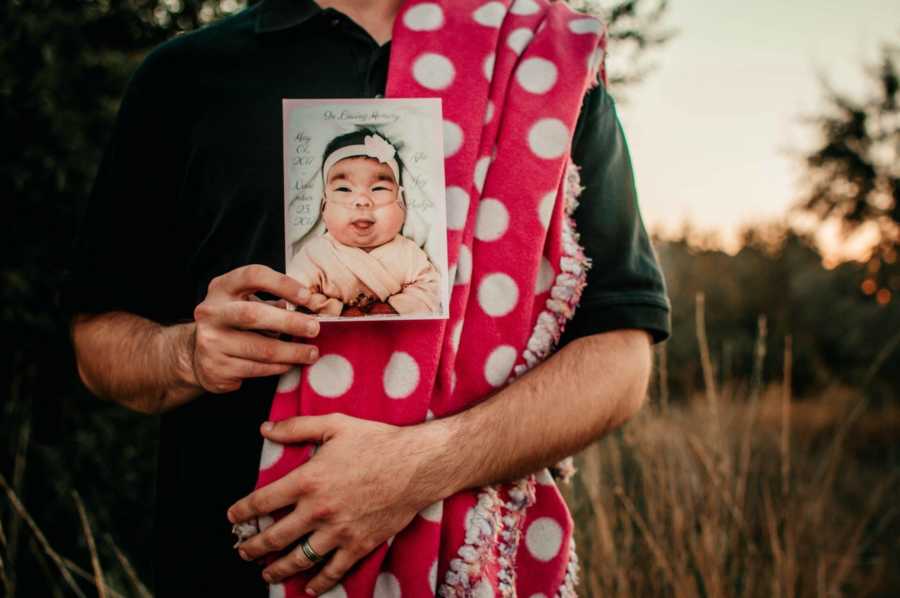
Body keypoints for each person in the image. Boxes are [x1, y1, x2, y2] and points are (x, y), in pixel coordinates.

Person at [63, 0, 671, 595]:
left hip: (465, 567)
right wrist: (186, 355)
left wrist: (417, 469)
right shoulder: (187, 75)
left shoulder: (538, 61)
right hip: (231, 564)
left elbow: (620, 355)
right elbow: (97, 344)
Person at [287, 129, 442, 317]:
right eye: (344, 189)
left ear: (402, 203)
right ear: (323, 206)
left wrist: (396, 308)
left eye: (378, 188)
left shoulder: (409, 253)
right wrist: (335, 310)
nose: (362, 201)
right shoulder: (315, 255)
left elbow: (431, 289)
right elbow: (295, 294)